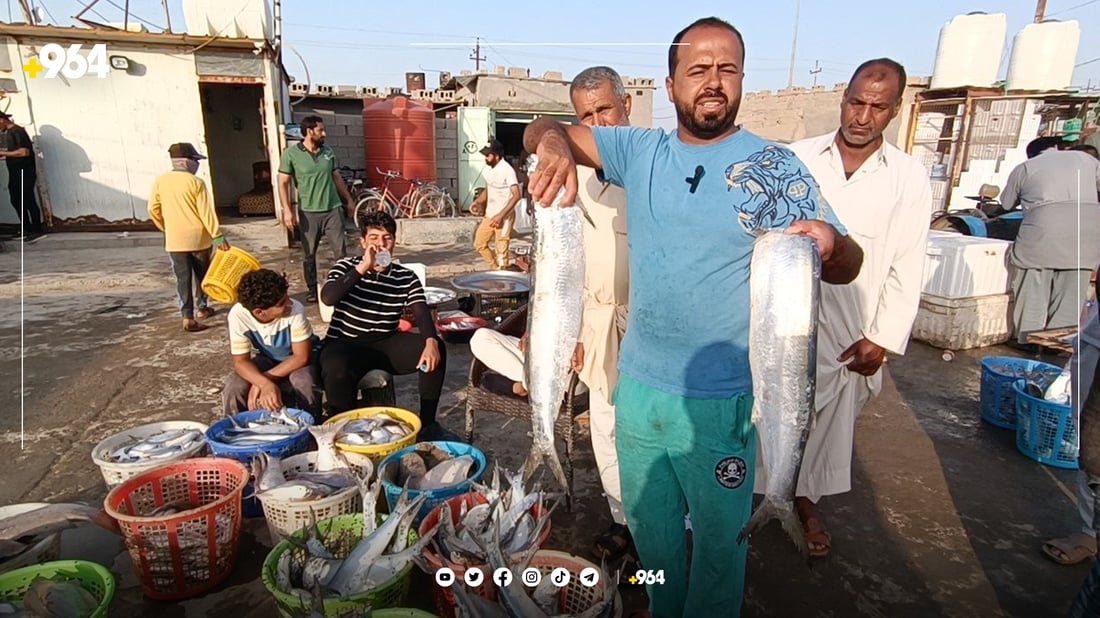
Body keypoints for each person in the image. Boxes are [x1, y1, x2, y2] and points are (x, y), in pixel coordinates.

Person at [523, 17, 863, 618]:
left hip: (721, 404)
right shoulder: (640, 150)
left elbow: (847, 262)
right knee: (653, 542)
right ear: (671, 83)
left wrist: (832, 247)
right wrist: (551, 141)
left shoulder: (773, 168)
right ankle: (661, 604)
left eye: (726, 69)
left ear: (741, 80)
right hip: (638, 397)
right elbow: (545, 130)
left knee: (717, 549)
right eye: (698, 70)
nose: (713, 82)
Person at [778, 58, 932, 557]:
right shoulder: (798, 157)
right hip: (786, 317)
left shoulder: (908, 177)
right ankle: (756, 497)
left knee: (827, 425)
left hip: (852, 327)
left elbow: (908, 262)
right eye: (856, 102)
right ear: (843, 98)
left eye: (877, 107)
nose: (862, 117)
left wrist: (883, 337)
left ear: (895, 110)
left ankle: (803, 501)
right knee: (769, 411)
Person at [319, 210, 456, 441]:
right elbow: (329, 297)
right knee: (336, 368)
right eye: (374, 238)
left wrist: (431, 341)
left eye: (387, 238)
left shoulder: (405, 277)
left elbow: (421, 313)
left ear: (394, 242)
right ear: (363, 241)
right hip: (345, 342)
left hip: (386, 342)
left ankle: (428, 425)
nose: (381, 244)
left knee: (437, 348)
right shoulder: (345, 267)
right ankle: (342, 431)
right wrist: (363, 267)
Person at [1001, 135, 1100, 346]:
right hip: (1087, 229)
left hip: (1043, 229)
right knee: (1073, 289)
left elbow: (1007, 203)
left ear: (1032, 153)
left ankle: (1029, 340)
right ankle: (1060, 342)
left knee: (1034, 284)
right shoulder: (1086, 160)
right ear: (1056, 147)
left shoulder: (1025, 167)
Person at [148, 142, 229, 332]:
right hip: (199, 239)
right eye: (195, 161)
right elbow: (206, 212)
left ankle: (187, 317)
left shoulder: (161, 181)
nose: (197, 165)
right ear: (187, 162)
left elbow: (153, 209)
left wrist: (166, 227)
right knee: (203, 275)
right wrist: (217, 236)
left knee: (182, 279)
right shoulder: (196, 183)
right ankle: (202, 308)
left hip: (175, 240)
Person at [278, 115, 354, 302]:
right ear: (309, 131)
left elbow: (336, 178)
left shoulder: (328, 152)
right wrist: (287, 210)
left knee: (341, 253)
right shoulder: (291, 155)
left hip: (333, 209)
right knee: (309, 254)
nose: (324, 133)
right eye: (320, 130)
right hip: (308, 212)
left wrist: (349, 200)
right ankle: (313, 290)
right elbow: (283, 183)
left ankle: (343, 286)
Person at [222, 268, 319, 415]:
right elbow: (241, 362)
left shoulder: (295, 309)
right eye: (281, 303)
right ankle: (233, 428)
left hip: (298, 360)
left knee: (304, 382)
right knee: (234, 386)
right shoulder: (238, 315)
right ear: (260, 312)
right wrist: (263, 383)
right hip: (267, 358)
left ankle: (313, 428)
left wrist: (263, 382)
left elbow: (301, 357)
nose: (289, 303)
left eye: (287, 296)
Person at [471, 139, 520, 269]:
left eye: (488, 155)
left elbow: (516, 195)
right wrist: (477, 202)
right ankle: (495, 268)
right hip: (490, 215)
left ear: (496, 156)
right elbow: (488, 190)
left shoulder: (507, 170)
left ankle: (503, 277)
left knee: (501, 251)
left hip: (504, 217)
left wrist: (501, 216)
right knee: (479, 244)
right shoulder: (489, 170)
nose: (485, 158)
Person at [0, 112, 43, 240]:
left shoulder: (17, 131)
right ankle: (29, 228)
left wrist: (3, 153)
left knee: (25, 199)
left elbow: (24, 152)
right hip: (16, 171)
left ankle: (33, 228)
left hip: (24, 171)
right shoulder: (8, 133)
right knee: (20, 199)